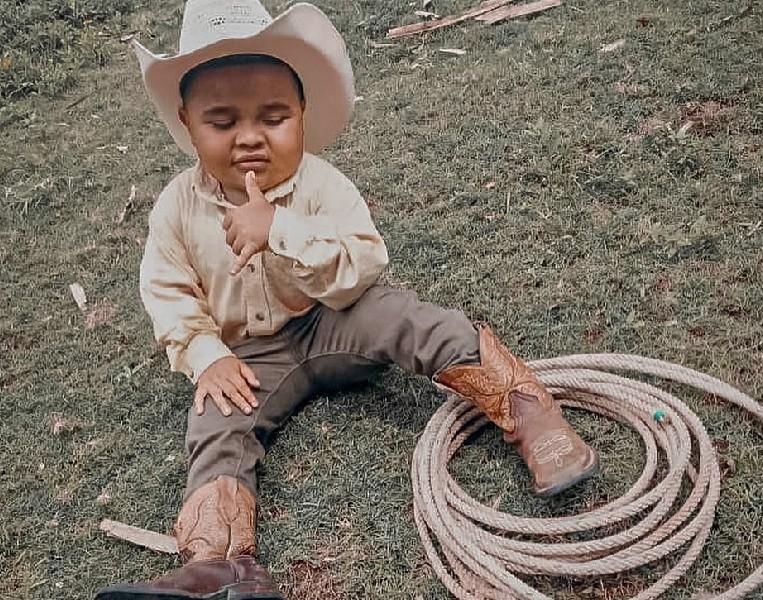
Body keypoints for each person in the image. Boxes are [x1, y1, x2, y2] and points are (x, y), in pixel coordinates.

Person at [95, 1, 598, 598]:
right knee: (215, 420)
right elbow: (166, 287)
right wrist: (206, 354)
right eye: (222, 122)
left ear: (303, 113)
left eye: (274, 117)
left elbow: (363, 267)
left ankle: (529, 411)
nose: (250, 137)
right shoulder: (176, 206)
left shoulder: (323, 184)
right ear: (187, 122)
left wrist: (277, 229)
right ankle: (222, 563)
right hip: (251, 359)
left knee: (410, 319)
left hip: (335, 320)